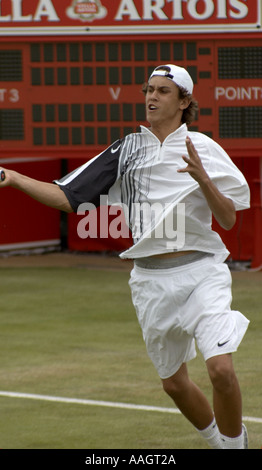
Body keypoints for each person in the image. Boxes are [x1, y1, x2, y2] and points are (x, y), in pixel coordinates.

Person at [0, 64, 250, 449]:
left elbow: (229, 218)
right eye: (148, 89)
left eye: (163, 91)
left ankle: (235, 445)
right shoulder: (126, 149)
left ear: (185, 101)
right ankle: (218, 441)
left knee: (220, 369)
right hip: (150, 281)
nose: (151, 97)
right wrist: (14, 178)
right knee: (174, 385)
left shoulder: (205, 149)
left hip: (203, 272)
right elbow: (68, 197)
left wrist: (204, 179)